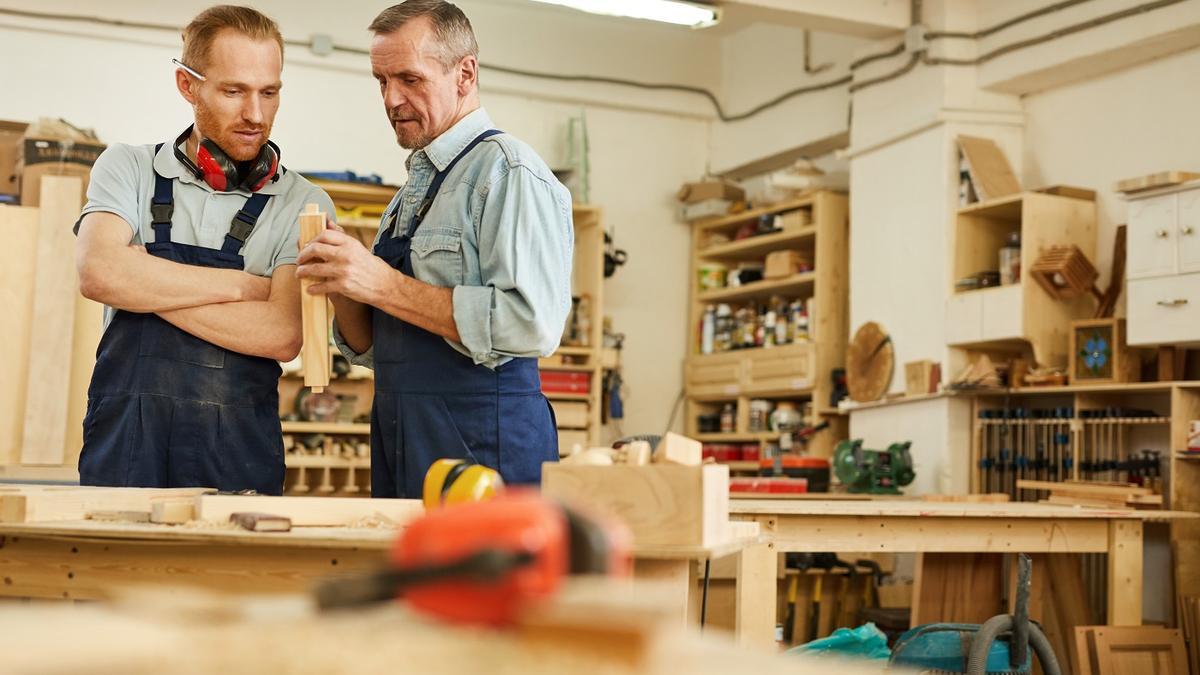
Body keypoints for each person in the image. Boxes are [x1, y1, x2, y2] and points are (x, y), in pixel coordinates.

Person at [297, 0, 573, 498]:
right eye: (381, 82)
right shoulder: (409, 196)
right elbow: (378, 349)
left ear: (464, 74)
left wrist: (382, 282)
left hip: (484, 447)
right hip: (404, 438)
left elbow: (531, 323)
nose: (391, 98)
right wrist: (342, 283)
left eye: (409, 79)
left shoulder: (507, 173)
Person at [74, 5, 335, 494]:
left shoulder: (305, 204)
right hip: (126, 446)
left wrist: (145, 282)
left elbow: (282, 333)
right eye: (234, 91)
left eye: (269, 92)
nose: (255, 114)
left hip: (236, 457)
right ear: (187, 85)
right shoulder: (127, 168)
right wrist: (241, 287)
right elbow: (101, 274)